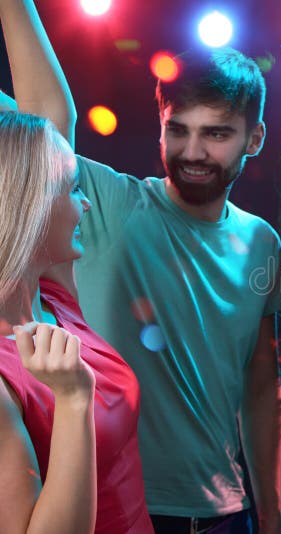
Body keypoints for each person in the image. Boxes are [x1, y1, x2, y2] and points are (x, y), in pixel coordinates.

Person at [9, 3, 281, 531]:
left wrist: (270, 514)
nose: (193, 150)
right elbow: (46, 123)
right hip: (118, 503)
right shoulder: (105, 203)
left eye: (217, 133)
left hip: (227, 511)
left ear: (255, 140)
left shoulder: (262, 242)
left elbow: (260, 384)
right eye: (177, 129)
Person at [0, 1, 152, 531]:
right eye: (72, 189)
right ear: (29, 209)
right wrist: (71, 401)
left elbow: (49, 122)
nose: (85, 203)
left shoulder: (50, 293)